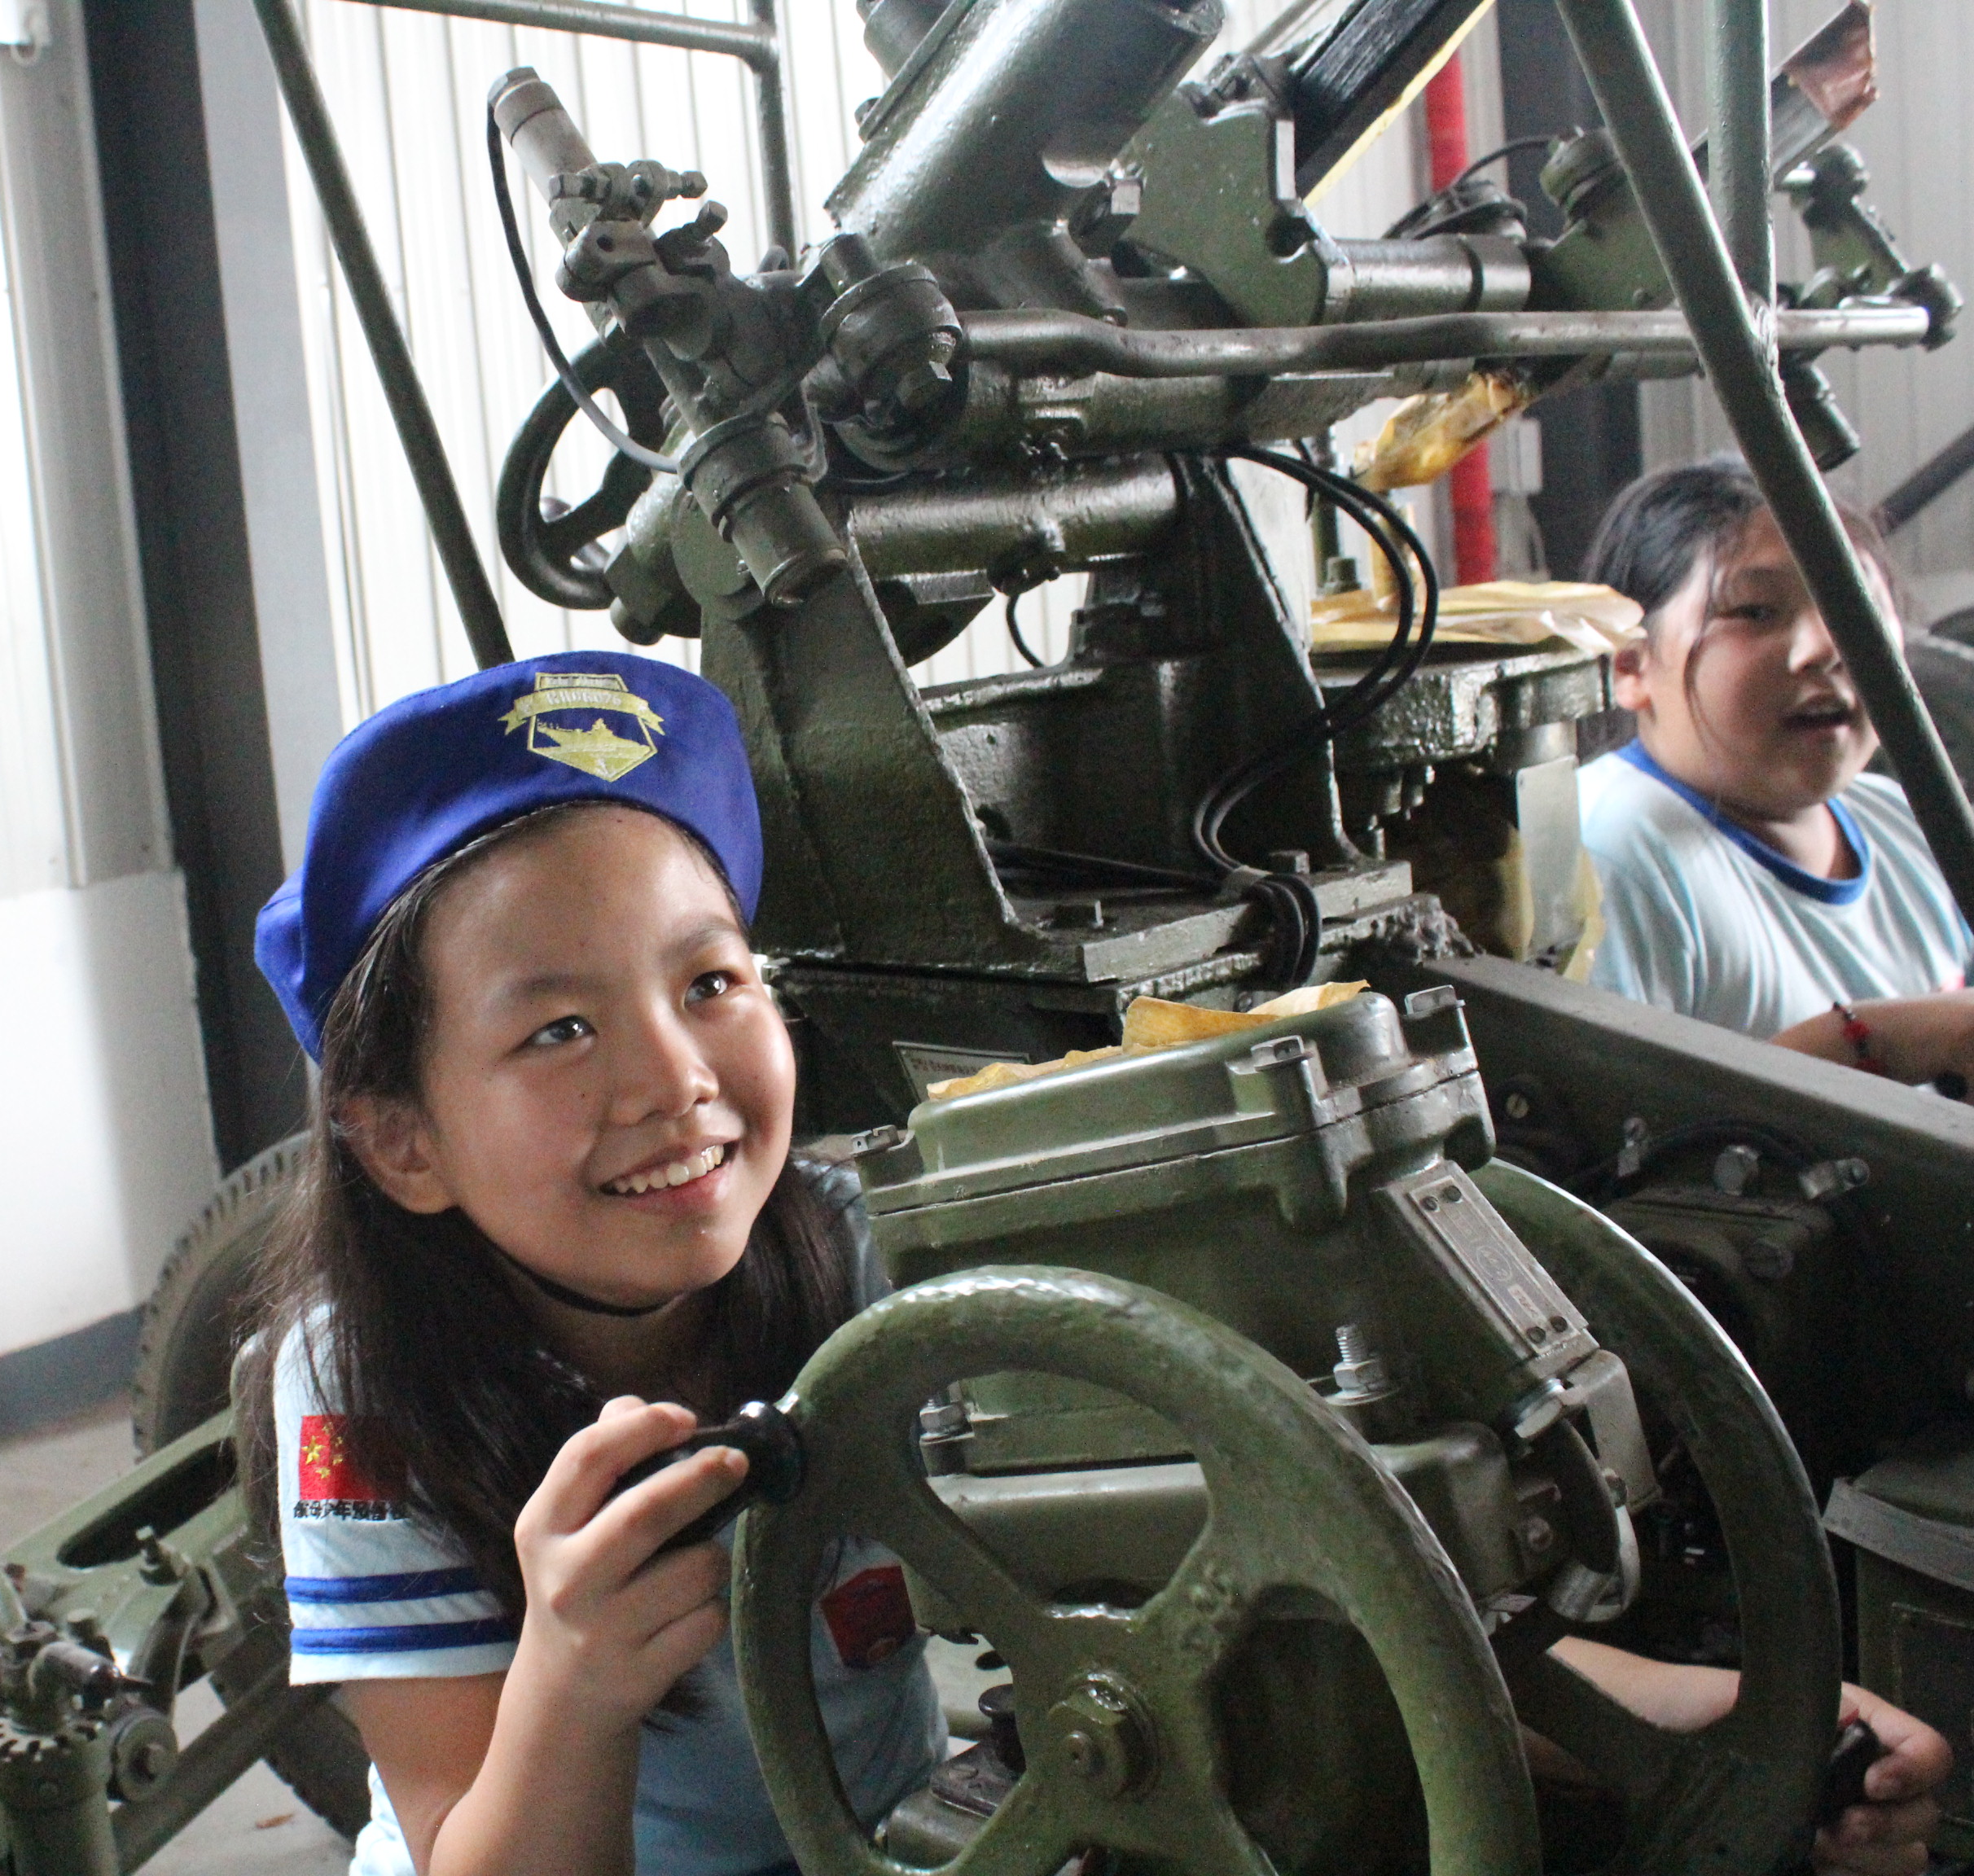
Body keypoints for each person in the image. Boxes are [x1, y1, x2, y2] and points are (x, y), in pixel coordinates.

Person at [241, 648, 1948, 1876]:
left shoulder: (867, 1247)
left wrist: (1725, 1722)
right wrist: (575, 1674)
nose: (673, 1077)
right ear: (401, 1138)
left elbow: (1306, 1551)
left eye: (710, 983)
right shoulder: (364, 1387)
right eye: (556, 1028)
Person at [1579, 457, 1974, 1084]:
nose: (1827, 648)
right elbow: (1619, 1130)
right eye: (1757, 611)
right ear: (1630, 666)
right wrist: (1866, 1042)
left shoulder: (1905, 820)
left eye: (1856, 603)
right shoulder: (1610, 855)